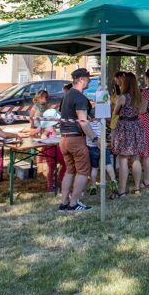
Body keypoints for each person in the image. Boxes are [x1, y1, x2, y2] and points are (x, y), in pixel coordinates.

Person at [58, 68, 97, 213]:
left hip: (64, 139)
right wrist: (95, 138)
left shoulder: (67, 95)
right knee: (83, 171)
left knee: (70, 170)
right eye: (88, 78)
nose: (89, 80)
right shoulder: (80, 97)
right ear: (81, 79)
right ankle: (74, 203)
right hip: (76, 139)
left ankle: (64, 202)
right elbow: (83, 122)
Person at [111, 72, 145, 198]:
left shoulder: (122, 97)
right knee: (136, 158)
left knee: (123, 159)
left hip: (124, 127)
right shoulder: (139, 96)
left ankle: (122, 190)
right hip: (136, 125)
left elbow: (115, 112)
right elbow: (142, 110)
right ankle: (137, 188)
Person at [86, 114, 117, 197]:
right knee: (108, 165)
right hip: (103, 147)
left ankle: (93, 186)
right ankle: (113, 181)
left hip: (92, 148)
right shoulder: (101, 123)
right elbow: (104, 134)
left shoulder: (87, 126)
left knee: (94, 168)